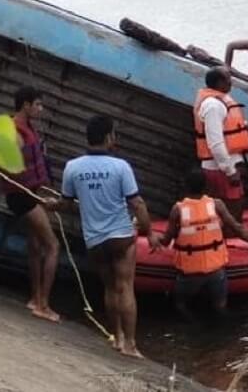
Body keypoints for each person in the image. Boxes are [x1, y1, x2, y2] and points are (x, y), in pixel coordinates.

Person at [46, 115, 161, 359]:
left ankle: (117, 337)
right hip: (121, 237)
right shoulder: (121, 167)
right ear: (109, 137)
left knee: (110, 288)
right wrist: (149, 233)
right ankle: (130, 344)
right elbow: (137, 204)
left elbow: (66, 204)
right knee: (125, 288)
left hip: (95, 241)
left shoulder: (72, 167)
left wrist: (51, 205)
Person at [157, 170, 248, 320]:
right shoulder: (217, 205)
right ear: (206, 186)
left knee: (181, 305)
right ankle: (225, 330)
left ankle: (193, 326)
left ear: (185, 186)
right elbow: (238, 228)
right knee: (220, 306)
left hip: (190, 275)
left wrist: (152, 236)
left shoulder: (177, 210)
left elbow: (166, 241)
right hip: (216, 273)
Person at [7, 86, 61, 323]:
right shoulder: (12, 129)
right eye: (38, 104)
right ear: (26, 105)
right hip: (22, 196)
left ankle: (35, 298)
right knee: (53, 246)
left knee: (36, 246)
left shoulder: (29, 129)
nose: (41, 109)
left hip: (31, 193)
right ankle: (43, 304)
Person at [193, 67, 248, 221]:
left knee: (233, 209)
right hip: (220, 169)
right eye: (228, 79)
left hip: (226, 166)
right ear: (219, 82)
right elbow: (216, 143)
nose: (231, 82)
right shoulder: (213, 105)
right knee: (232, 211)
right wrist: (230, 170)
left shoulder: (221, 101)